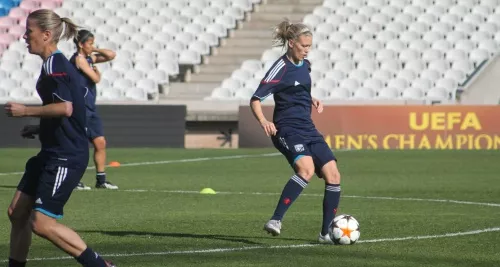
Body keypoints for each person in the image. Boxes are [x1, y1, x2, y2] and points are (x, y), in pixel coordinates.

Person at [4, 9, 115, 266]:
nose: (24, 36)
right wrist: (39, 128)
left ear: (45, 35)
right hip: (52, 151)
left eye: (29, 31)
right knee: (17, 212)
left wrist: (25, 111)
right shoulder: (53, 63)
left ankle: (99, 265)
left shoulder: (55, 64)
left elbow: (65, 107)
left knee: (41, 223)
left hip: (66, 156)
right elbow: (67, 110)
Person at [249, 20, 342, 243]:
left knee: (334, 175)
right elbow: (255, 99)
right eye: (303, 46)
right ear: (291, 43)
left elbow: (298, 87)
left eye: (309, 46)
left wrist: (311, 98)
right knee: (306, 169)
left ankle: (325, 234)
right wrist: (263, 121)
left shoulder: (306, 65)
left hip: (308, 128)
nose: (307, 50)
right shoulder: (280, 68)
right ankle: (276, 220)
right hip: (287, 129)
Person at [69, 29, 118, 190]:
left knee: (100, 143)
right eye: (90, 43)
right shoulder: (79, 60)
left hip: (91, 108)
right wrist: (97, 73)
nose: (92, 46)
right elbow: (95, 78)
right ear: (80, 44)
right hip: (80, 108)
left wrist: (95, 49)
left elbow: (111, 55)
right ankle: (73, 180)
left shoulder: (89, 58)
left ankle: (101, 180)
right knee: (79, 145)